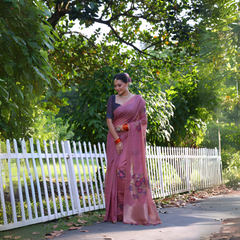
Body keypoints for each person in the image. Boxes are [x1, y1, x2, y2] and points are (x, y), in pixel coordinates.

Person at [104, 72, 161, 225]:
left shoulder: (138, 101)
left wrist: (125, 126)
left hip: (132, 139)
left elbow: (143, 122)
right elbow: (109, 121)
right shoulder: (112, 99)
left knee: (127, 171)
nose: (117, 88)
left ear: (127, 83)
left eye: (119, 85)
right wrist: (117, 140)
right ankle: (117, 212)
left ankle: (133, 210)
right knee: (116, 171)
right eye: (115, 86)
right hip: (115, 139)